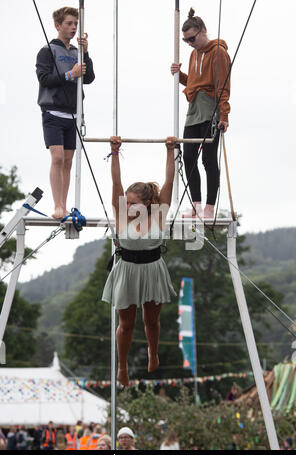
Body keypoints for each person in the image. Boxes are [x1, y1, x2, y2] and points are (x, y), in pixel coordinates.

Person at [102, 136, 177, 386]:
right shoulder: (121, 214)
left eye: (133, 203)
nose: (128, 205)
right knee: (127, 323)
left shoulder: (158, 214)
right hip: (127, 270)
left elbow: (169, 181)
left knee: (152, 320)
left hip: (153, 269)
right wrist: (114, 152)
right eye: (127, 201)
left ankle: (152, 352)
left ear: (146, 204)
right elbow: (116, 182)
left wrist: (170, 150)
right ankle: (122, 367)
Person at [171, 8, 231, 219]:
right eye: (186, 40)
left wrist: (224, 115)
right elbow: (194, 83)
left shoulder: (219, 53)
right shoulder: (193, 54)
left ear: (203, 31)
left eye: (192, 38)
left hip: (210, 109)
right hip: (193, 109)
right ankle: (195, 205)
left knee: (208, 159)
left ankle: (209, 207)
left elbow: (223, 86)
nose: (189, 43)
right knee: (188, 157)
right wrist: (179, 76)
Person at [36, 6, 95, 219]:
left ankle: (64, 203)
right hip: (53, 111)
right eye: (69, 24)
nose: (73, 28)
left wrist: (86, 53)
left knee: (69, 161)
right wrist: (71, 74)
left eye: (75, 25)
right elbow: (45, 79)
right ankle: (57, 205)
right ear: (58, 25)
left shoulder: (76, 52)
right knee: (58, 157)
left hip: (73, 113)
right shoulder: (47, 51)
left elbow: (89, 78)